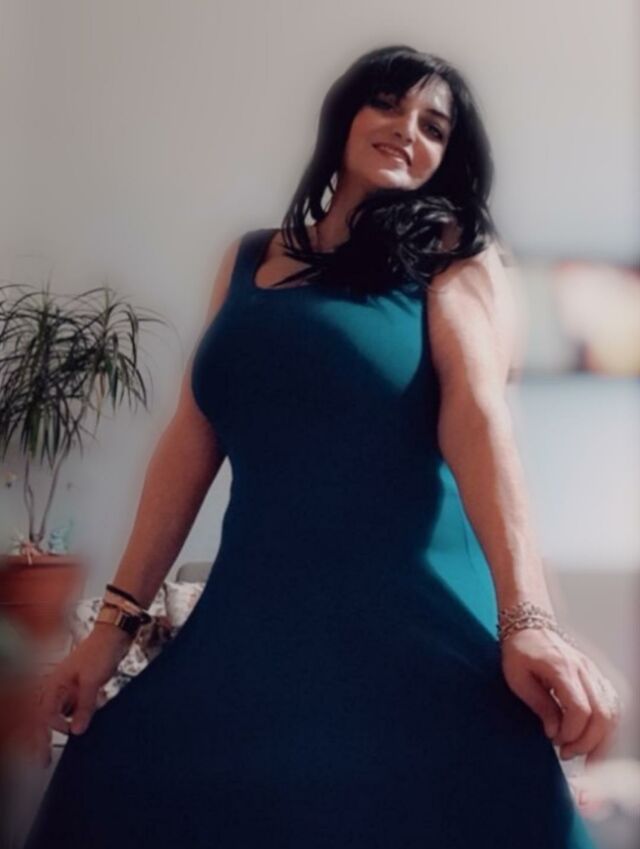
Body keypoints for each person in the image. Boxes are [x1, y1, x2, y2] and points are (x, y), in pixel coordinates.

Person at [21, 45, 619, 848]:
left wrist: (528, 619)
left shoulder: (455, 256)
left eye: (434, 126)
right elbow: (191, 438)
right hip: (253, 613)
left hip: (414, 618)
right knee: (108, 783)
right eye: (390, 104)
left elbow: (482, 421)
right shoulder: (249, 259)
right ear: (345, 113)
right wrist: (110, 629)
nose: (408, 130)